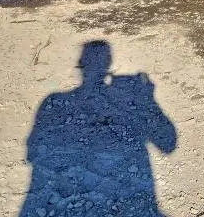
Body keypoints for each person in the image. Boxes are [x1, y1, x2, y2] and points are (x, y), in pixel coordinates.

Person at [20, 40, 176, 216]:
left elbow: (32, 153)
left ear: (81, 64)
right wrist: (147, 99)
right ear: (108, 64)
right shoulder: (55, 101)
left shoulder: (53, 101)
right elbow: (168, 144)